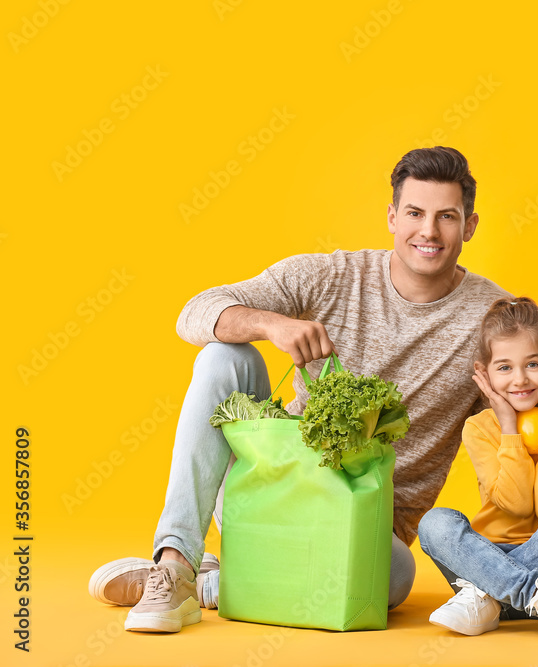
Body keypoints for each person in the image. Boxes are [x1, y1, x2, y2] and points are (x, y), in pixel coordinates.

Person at [87, 146, 510, 633]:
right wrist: (272, 325)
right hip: (268, 491)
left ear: (470, 226)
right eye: (414, 213)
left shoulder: (492, 319)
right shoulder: (333, 276)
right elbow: (194, 313)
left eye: (447, 217)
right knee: (225, 356)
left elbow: (521, 418)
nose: (428, 232)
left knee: (395, 577)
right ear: (392, 217)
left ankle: (217, 583)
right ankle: (176, 562)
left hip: (362, 527)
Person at [418, 297, 538, 643]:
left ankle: (492, 597)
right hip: (489, 559)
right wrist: (508, 428)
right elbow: (517, 504)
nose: (519, 379)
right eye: (504, 367)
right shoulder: (480, 428)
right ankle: (535, 594)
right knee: (434, 523)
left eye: (533, 364)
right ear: (484, 373)